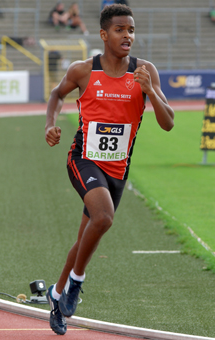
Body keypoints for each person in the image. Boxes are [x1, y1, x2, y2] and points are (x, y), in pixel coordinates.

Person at [45, 4, 174, 336]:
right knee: (103, 218)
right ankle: (76, 281)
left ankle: (56, 296)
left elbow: (168, 123)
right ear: (104, 35)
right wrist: (50, 124)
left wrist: (150, 92)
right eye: (120, 30)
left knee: (85, 237)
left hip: (118, 170)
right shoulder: (84, 70)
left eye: (131, 30)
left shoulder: (145, 71)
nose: (127, 35)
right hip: (83, 158)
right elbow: (57, 95)